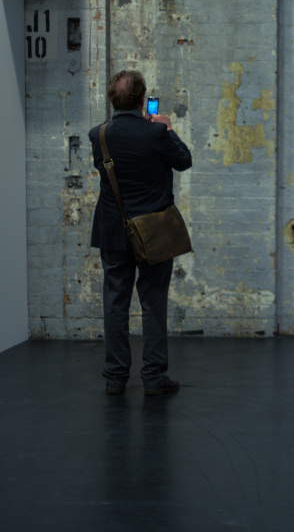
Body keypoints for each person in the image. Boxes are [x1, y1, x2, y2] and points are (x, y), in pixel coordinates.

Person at [88, 70, 192, 395]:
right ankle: (154, 377)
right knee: (153, 301)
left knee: (115, 303)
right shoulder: (156, 133)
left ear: (112, 99)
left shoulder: (98, 135)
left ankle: (115, 378)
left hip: (113, 232)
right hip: (153, 231)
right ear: (142, 99)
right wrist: (167, 127)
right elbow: (184, 161)